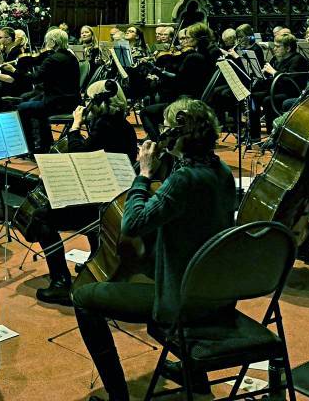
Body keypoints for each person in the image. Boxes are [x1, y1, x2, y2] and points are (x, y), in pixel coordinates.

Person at [73, 98, 236, 401]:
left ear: (180, 130)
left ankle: (118, 397)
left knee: (82, 299)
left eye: (166, 125)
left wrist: (144, 174)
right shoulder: (222, 170)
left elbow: (132, 224)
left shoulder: (185, 178)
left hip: (181, 298)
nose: (161, 130)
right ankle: (195, 378)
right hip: (217, 291)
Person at [30, 80, 138, 305]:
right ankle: (95, 261)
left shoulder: (104, 125)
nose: (86, 103)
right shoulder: (124, 125)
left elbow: (82, 157)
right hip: (114, 199)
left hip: (99, 202)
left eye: (88, 99)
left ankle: (60, 282)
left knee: (42, 217)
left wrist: (75, 127)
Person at [140, 22, 216, 140]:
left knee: (145, 112)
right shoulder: (204, 54)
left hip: (186, 101)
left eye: (188, 37)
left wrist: (158, 72)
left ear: (197, 39)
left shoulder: (194, 57)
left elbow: (178, 82)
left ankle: (159, 142)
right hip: (191, 97)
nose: (184, 41)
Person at [16, 28, 82, 152]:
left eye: (47, 41)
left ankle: (30, 148)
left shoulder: (52, 59)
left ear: (53, 42)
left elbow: (35, 79)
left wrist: (15, 71)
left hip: (57, 104)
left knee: (22, 108)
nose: (46, 44)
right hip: (73, 102)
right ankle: (44, 144)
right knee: (36, 103)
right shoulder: (70, 56)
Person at [255, 32, 309, 131]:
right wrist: (263, 74)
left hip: (292, 93)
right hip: (279, 90)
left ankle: (272, 134)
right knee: (253, 95)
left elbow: (291, 83)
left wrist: (273, 72)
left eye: (277, 46)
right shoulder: (280, 59)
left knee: (268, 100)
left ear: (288, 48)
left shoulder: (298, 60)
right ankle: (254, 134)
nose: (274, 49)